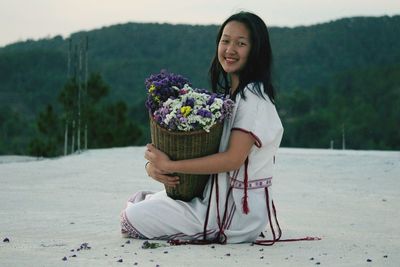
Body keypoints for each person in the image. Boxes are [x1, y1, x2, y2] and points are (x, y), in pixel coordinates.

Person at [120, 11, 284, 244]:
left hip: (234, 214)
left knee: (132, 216)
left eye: (241, 43)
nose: (230, 49)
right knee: (142, 202)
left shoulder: (253, 98)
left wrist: (170, 164)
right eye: (225, 40)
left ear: (256, 50)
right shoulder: (233, 97)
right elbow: (206, 151)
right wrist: (154, 167)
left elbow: (232, 160)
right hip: (214, 198)